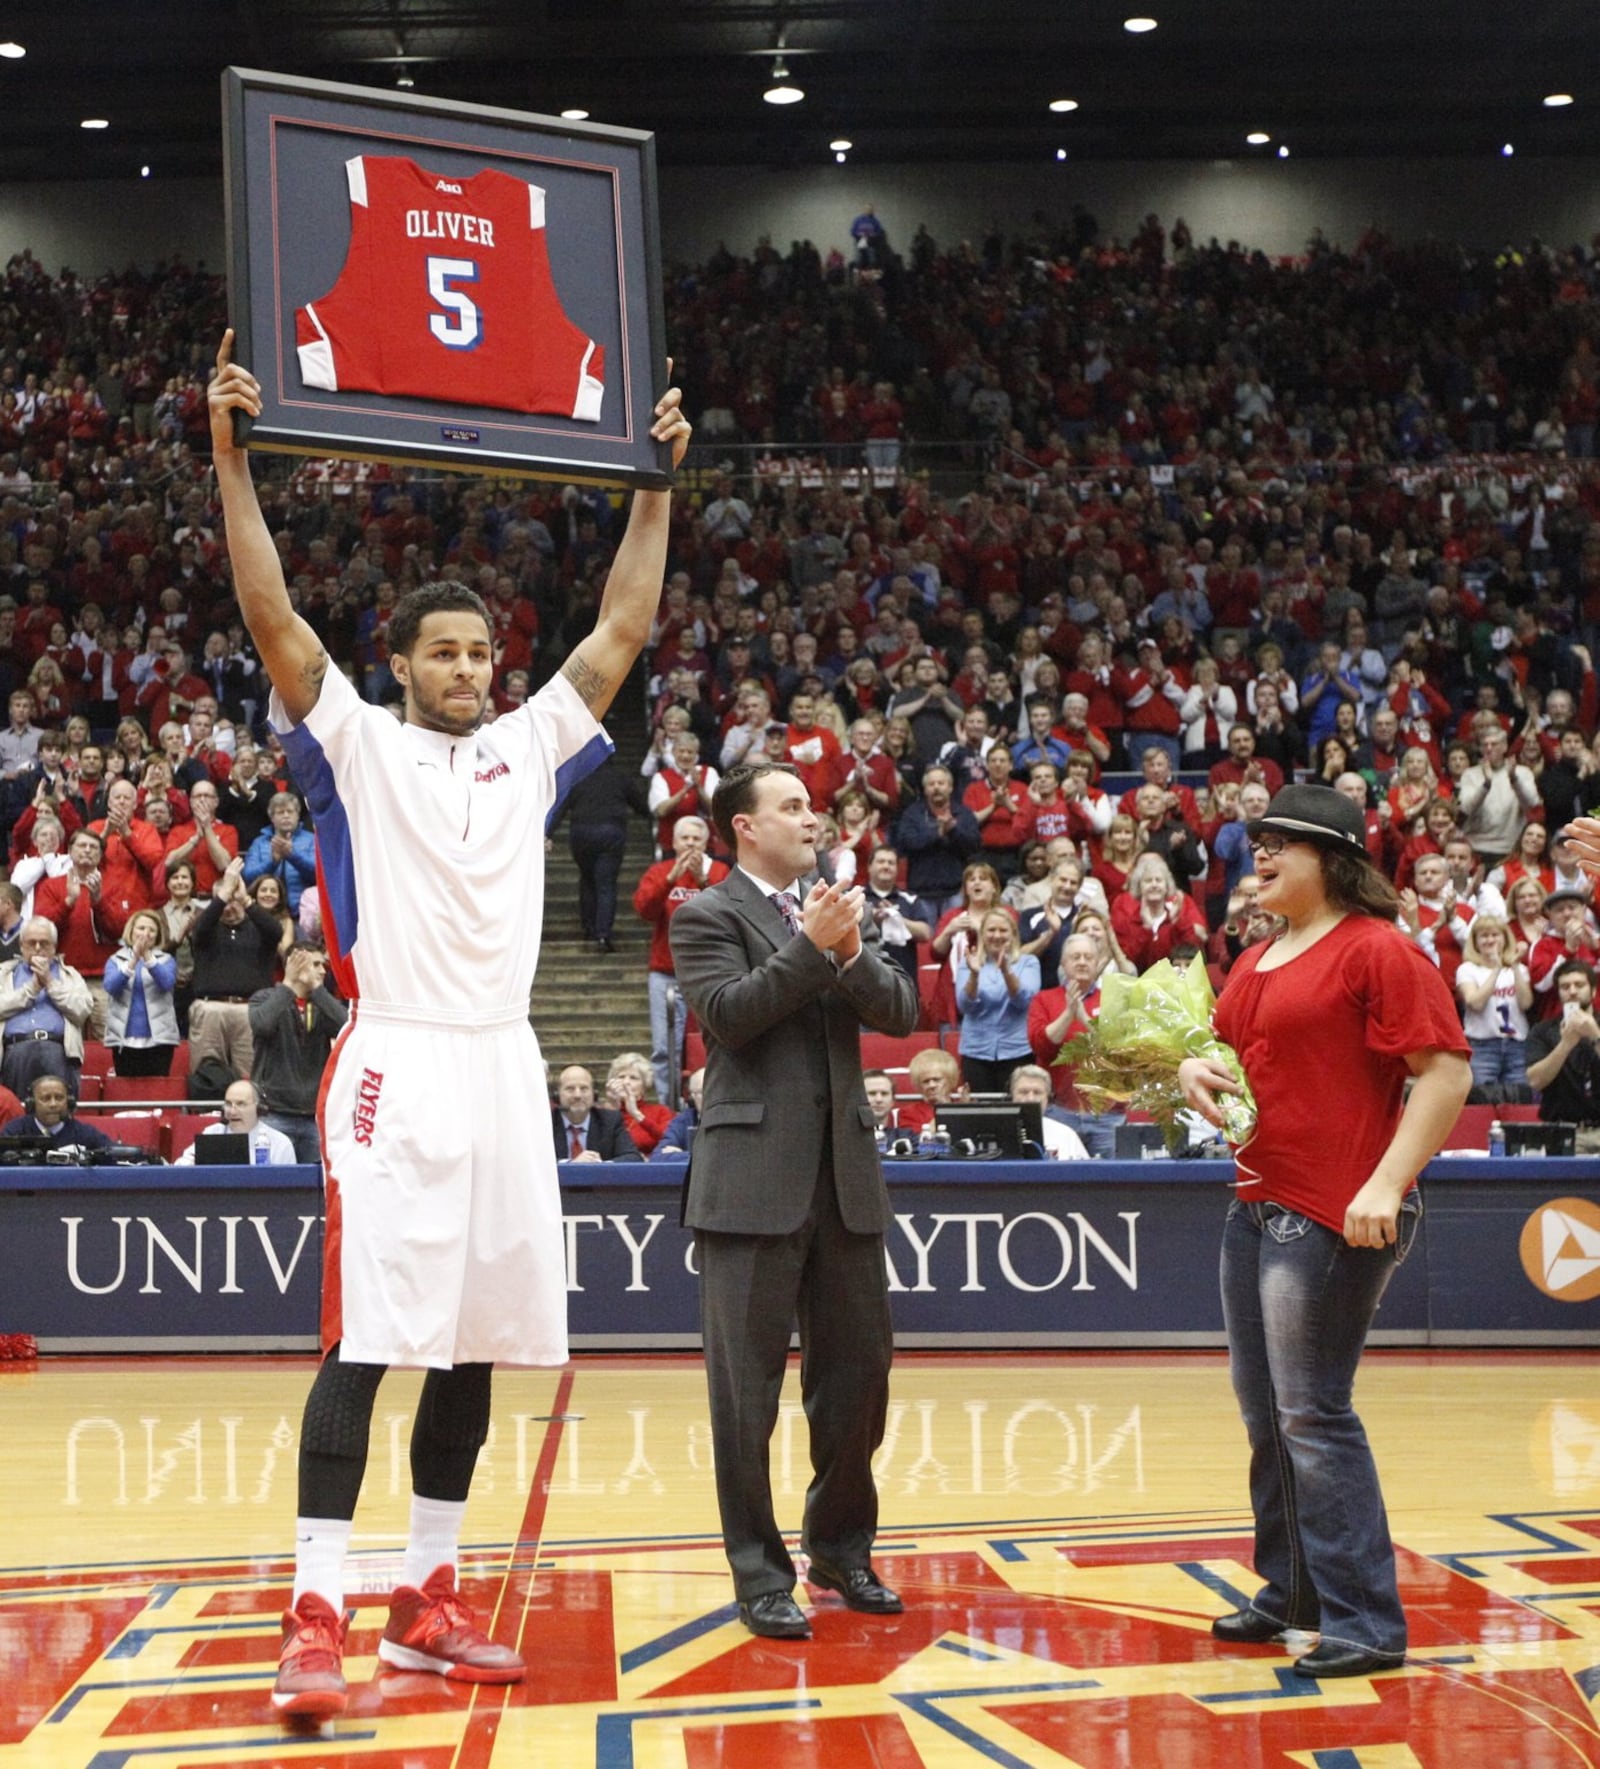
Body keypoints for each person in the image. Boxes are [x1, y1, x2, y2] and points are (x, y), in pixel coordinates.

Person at [208, 328, 690, 1719]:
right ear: (401, 663)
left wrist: (656, 487)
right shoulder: (354, 740)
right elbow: (268, 613)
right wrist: (233, 457)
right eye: (445, 650)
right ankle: (316, 1612)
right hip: (397, 1058)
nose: (472, 666)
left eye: (483, 649)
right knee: (367, 1340)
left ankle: (428, 1597)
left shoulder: (529, 744)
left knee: (478, 1343)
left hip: (504, 1063)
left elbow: (620, 634)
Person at [1179, 784, 1470, 1679]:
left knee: (1314, 1411)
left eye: (1281, 845)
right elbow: (1234, 1055)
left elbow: (1446, 1074)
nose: (1259, 855)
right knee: (1267, 1414)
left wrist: (1388, 1181)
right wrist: (1196, 1062)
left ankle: (1366, 1619)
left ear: (1334, 859)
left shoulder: (1377, 950)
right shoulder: (1260, 956)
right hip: (1255, 1201)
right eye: (1256, 842)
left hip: (1338, 1207)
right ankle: (1293, 1588)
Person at [669, 760, 919, 1640]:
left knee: (860, 1379)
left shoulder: (838, 911)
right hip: (746, 1187)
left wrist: (847, 950)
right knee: (746, 1394)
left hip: (845, 1178)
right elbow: (731, 1015)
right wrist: (814, 947)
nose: (812, 818)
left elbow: (899, 1009)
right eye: (793, 805)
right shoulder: (703, 913)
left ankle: (844, 1548)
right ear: (744, 825)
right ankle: (758, 1572)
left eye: (812, 805)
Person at [632, 816, 728, 1101]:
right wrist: (671, 878)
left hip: (710, 973)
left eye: (696, 838)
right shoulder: (659, 871)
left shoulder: (720, 871)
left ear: (706, 842)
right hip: (665, 972)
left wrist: (703, 880)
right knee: (664, 1047)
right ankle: (667, 1104)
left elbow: (727, 913)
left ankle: (711, 1101)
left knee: (710, 1043)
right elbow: (644, 909)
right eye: (684, 838)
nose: (689, 844)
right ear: (673, 842)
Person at [247, 945, 348, 1164]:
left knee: (314, 1189)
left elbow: (346, 1028)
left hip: (313, 1115)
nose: (323, 970)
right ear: (294, 965)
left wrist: (318, 991)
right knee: (271, 1188)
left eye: (323, 964)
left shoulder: (322, 1003)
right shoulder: (263, 997)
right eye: (315, 964)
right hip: (273, 1112)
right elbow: (263, 1024)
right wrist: (288, 986)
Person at [188, 857, 285, 1085]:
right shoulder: (207, 929)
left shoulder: (259, 928)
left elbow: (276, 932)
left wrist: (245, 899)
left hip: (250, 1010)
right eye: (223, 901)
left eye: (233, 900)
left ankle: (252, 1117)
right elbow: (199, 929)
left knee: (252, 1075)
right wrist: (223, 894)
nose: (229, 906)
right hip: (210, 1008)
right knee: (206, 1073)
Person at [0, 916, 91, 1098]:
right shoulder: (4, 973)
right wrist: (31, 989)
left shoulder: (70, 975)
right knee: (16, 1116)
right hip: (15, 1052)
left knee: (58, 1116)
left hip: (57, 1051)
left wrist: (49, 982)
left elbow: (82, 1010)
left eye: (44, 943)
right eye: (32, 943)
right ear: (21, 945)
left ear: (54, 947)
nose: (38, 949)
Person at [956, 906, 1039, 1093]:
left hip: (1017, 1050)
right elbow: (964, 1006)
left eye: (1003, 930)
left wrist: (1006, 971)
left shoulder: (1029, 962)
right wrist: (974, 975)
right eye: (991, 930)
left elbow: (1024, 1001)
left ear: (1013, 935)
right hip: (976, 1051)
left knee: (1016, 1111)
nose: (997, 935)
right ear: (983, 934)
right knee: (982, 1111)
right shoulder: (968, 963)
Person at [1524, 959, 1600, 1150]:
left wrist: (1595, 1036)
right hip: (1562, 1131)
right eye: (1565, 987)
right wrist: (1565, 1044)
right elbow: (1535, 1081)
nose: (1572, 991)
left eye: (1579, 985)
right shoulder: (1541, 1031)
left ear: (1593, 991)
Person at [1455, 916, 1533, 1100]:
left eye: (1495, 935)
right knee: (1481, 1099)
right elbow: (1475, 1002)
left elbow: (1526, 1003)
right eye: (1484, 936)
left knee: (1519, 1098)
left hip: (1517, 1045)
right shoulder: (1467, 969)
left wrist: (1513, 965)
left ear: (1504, 938)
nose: (1490, 940)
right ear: (1475, 942)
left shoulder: (1519, 970)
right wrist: (1497, 968)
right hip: (1483, 1046)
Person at [102, 908, 180, 1077]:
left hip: (159, 1040)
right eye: (141, 928)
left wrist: (147, 957)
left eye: (152, 930)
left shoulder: (166, 960)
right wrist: (132, 961)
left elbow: (166, 982)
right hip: (125, 1039)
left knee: (157, 1091)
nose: (146, 933)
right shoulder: (115, 960)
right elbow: (111, 987)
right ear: (131, 931)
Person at [176, 1077, 298, 1166]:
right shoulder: (212, 1134)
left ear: (259, 1108)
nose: (232, 1111)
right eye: (229, 1104)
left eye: (241, 1104)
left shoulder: (280, 1143)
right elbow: (180, 1166)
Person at [242, 792, 319, 915]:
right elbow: (248, 877)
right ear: (272, 817)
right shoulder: (259, 843)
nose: (286, 816)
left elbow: (319, 876)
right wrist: (272, 862)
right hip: (266, 914)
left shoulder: (312, 840)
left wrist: (292, 856)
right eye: (280, 812)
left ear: (298, 815)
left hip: (303, 913)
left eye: (290, 811)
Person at [550, 1064, 646, 1162]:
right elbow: (537, 1161)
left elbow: (633, 1157)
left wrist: (601, 1166)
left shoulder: (610, 1121)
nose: (577, 1095)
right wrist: (571, 1164)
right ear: (556, 1094)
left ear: (594, 1094)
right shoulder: (546, 1123)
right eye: (570, 1089)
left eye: (584, 1089)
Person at [0, 1072, 110, 1155]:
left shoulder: (84, 1133)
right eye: (46, 1098)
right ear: (32, 1103)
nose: (53, 1104)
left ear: (69, 1102)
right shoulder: (15, 1131)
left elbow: (115, 1153)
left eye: (59, 1098)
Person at [1008, 1063, 1090, 1160]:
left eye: (1037, 1092)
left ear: (1047, 1098)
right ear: (1011, 1096)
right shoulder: (993, 1132)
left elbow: (1084, 1172)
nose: (1030, 1098)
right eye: (1024, 1092)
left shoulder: (1065, 1134)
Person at [603, 1050, 675, 1156]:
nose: (626, 1082)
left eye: (633, 1078)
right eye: (621, 1077)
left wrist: (636, 1114)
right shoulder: (603, 1112)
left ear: (644, 1086)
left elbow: (669, 1139)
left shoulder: (660, 1111)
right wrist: (613, 1107)